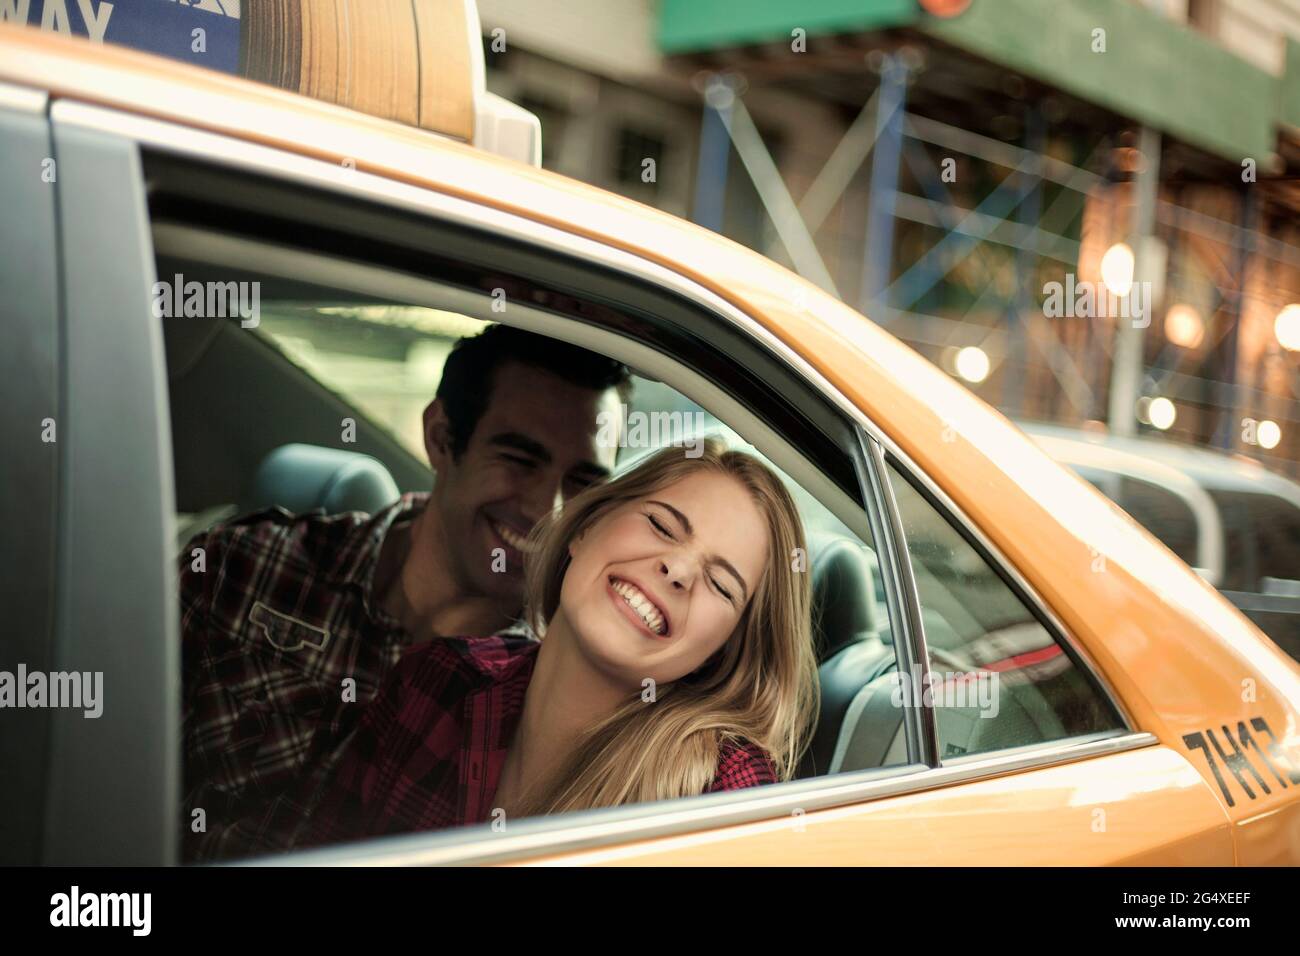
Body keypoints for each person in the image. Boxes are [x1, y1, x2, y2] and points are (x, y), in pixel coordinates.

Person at [180, 325, 632, 861]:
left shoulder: (552, 697)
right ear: (442, 438)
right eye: (519, 459)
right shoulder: (249, 568)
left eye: (582, 483)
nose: (547, 512)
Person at [299, 439, 819, 846]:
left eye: (722, 585)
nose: (679, 569)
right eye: (662, 525)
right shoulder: (434, 680)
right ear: (586, 527)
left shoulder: (725, 797)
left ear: (724, 650)